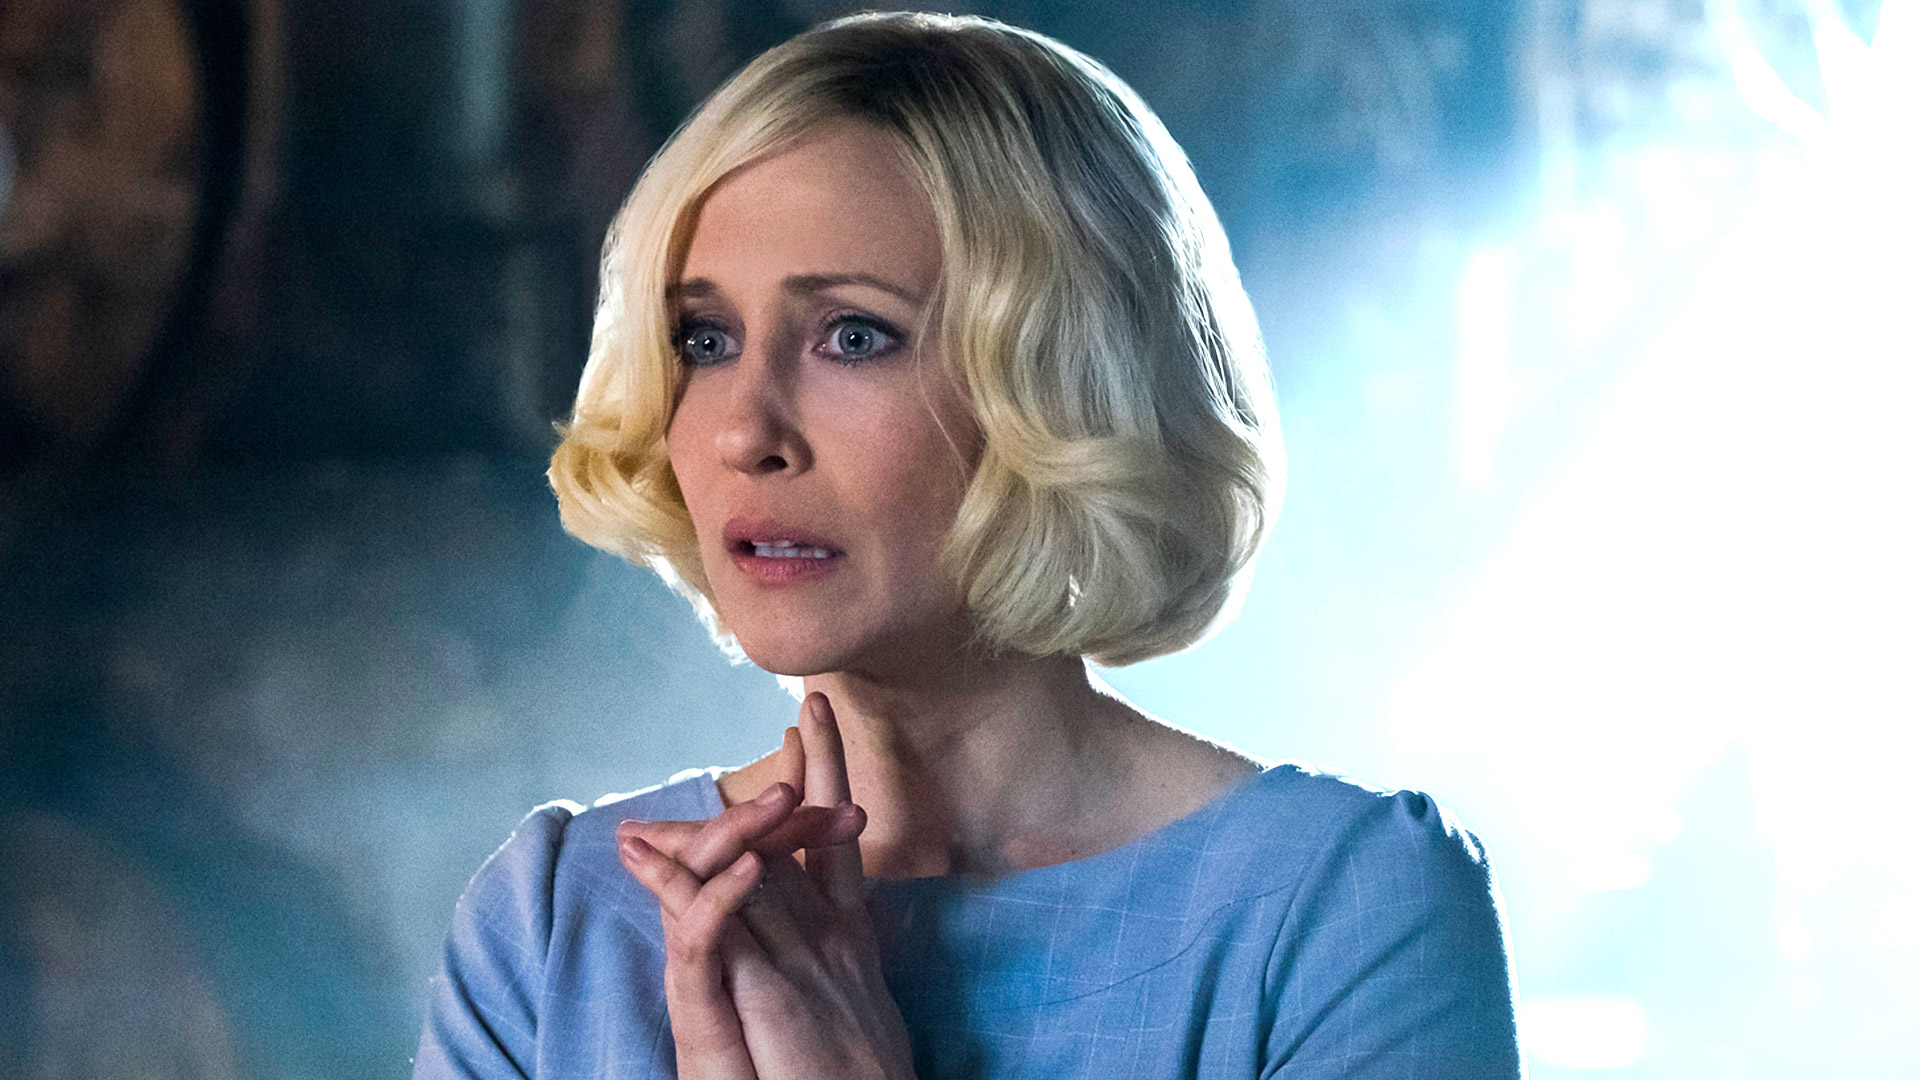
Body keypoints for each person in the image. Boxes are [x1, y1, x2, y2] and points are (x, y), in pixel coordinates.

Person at [413, 12, 1522, 1079]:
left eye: (853, 336)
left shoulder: (1343, 912)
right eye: (705, 339)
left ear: (1061, 384)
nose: (745, 431)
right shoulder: (555, 926)